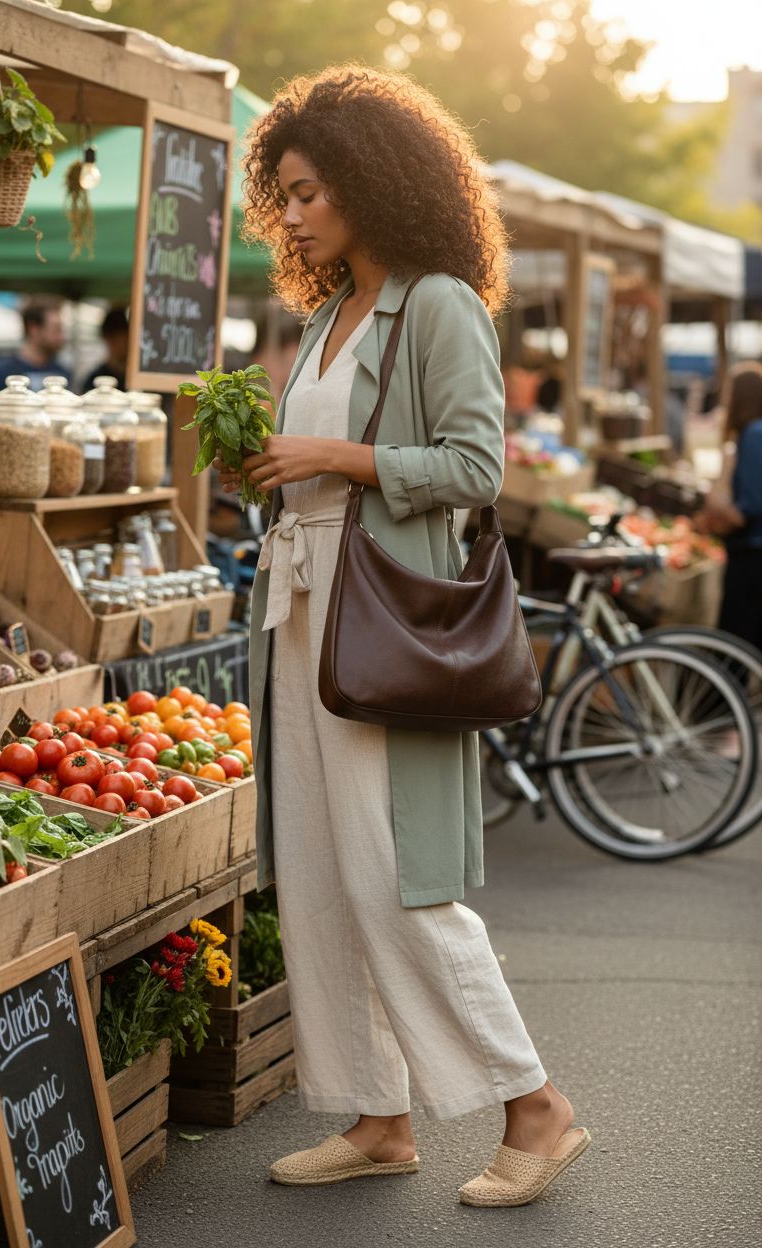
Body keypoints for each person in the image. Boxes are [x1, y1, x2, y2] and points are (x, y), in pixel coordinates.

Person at [215, 66, 590, 1208]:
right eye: (282, 196)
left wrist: (333, 457)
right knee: (318, 873)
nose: (291, 216)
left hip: (385, 612)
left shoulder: (439, 304)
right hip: (302, 606)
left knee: (395, 878)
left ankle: (535, 1106)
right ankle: (378, 1119)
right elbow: (322, 469)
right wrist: (269, 470)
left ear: (373, 183)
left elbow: (476, 467)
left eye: (309, 192)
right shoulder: (327, 317)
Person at [699, 361, 762, 649]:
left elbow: (746, 511)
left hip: (752, 558)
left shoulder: (754, 435)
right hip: (751, 555)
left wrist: (712, 497)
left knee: (732, 648)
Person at [0, 299, 69, 403]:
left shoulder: (62, 372)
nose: (62, 337)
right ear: (34, 329)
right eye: (56, 329)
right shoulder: (3, 371)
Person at [80, 306, 130, 392]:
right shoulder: (94, 381)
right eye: (124, 337)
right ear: (108, 338)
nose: (128, 343)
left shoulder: (135, 379)